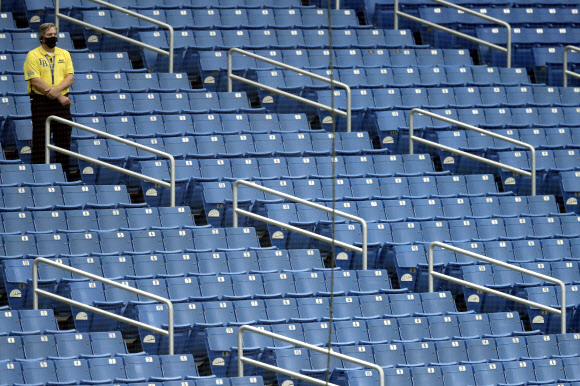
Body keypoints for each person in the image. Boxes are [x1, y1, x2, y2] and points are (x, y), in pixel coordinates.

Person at [24, 22, 75, 177]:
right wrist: (58, 95)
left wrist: (58, 93)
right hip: (41, 102)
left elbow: (70, 77)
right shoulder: (32, 55)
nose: (53, 38)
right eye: (49, 35)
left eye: (54, 35)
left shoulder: (64, 54)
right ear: (41, 38)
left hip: (62, 104)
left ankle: (64, 175)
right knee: (40, 141)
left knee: (64, 140)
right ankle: (38, 177)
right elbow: (35, 80)